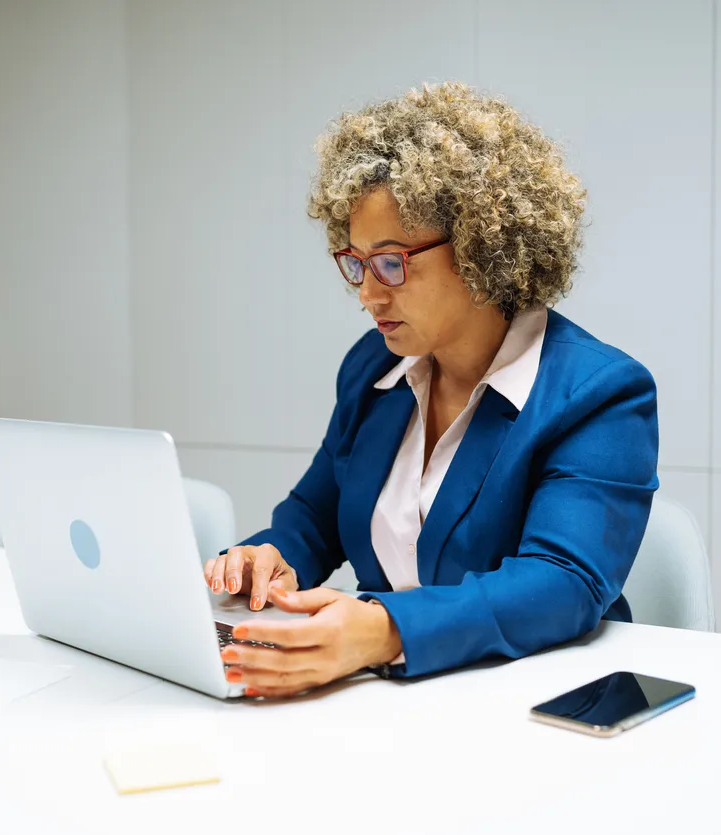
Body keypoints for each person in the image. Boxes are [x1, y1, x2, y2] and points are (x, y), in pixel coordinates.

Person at [203, 82, 658, 698]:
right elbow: (316, 515)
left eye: (392, 261)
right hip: (396, 706)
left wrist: (384, 629)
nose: (367, 294)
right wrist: (270, 559)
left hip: (536, 704)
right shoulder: (374, 368)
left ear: (479, 247)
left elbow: (562, 582)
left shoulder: (599, 394)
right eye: (357, 263)